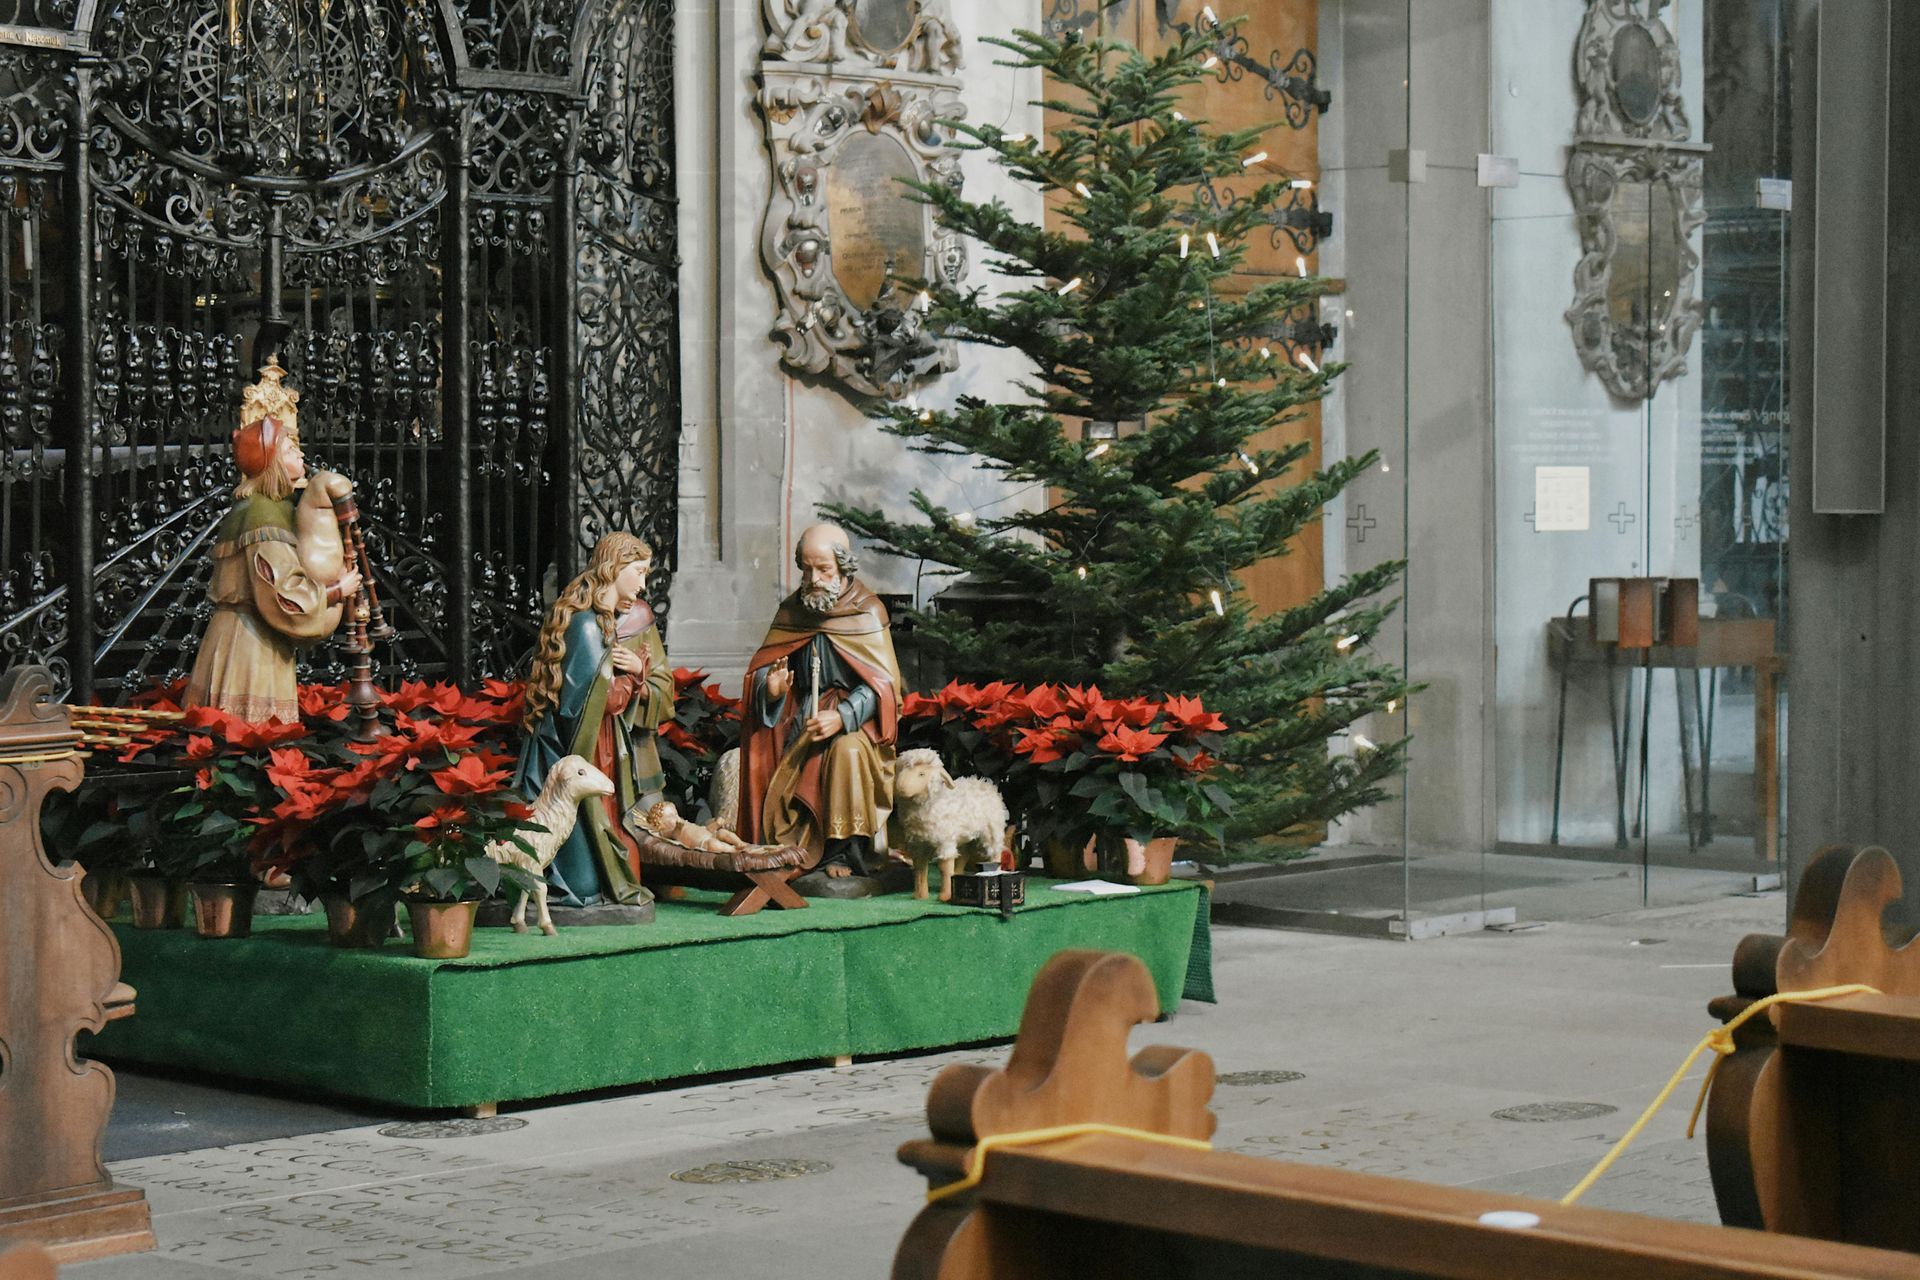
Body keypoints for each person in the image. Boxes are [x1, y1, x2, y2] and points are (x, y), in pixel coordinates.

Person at [185, 360, 361, 723]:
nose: (300, 453)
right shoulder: (262, 515)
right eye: (290, 448)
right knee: (249, 739)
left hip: (239, 638)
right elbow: (281, 595)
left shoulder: (266, 507)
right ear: (272, 462)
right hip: (249, 648)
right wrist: (335, 590)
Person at [516, 532, 671, 908]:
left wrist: (639, 675)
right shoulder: (586, 626)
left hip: (602, 746)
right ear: (615, 568)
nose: (643, 583)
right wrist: (633, 678)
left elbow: (648, 692)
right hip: (578, 750)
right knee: (585, 876)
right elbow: (587, 706)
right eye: (638, 572)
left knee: (614, 843)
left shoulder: (614, 620)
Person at [738, 524, 902, 876]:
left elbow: (885, 686)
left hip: (858, 724)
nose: (813, 578)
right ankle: (792, 844)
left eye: (823, 569)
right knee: (797, 748)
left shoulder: (867, 612)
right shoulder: (793, 612)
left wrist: (843, 717)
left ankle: (842, 853)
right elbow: (767, 669)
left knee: (846, 752)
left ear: (843, 568)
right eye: (806, 568)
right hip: (803, 715)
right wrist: (773, 689)